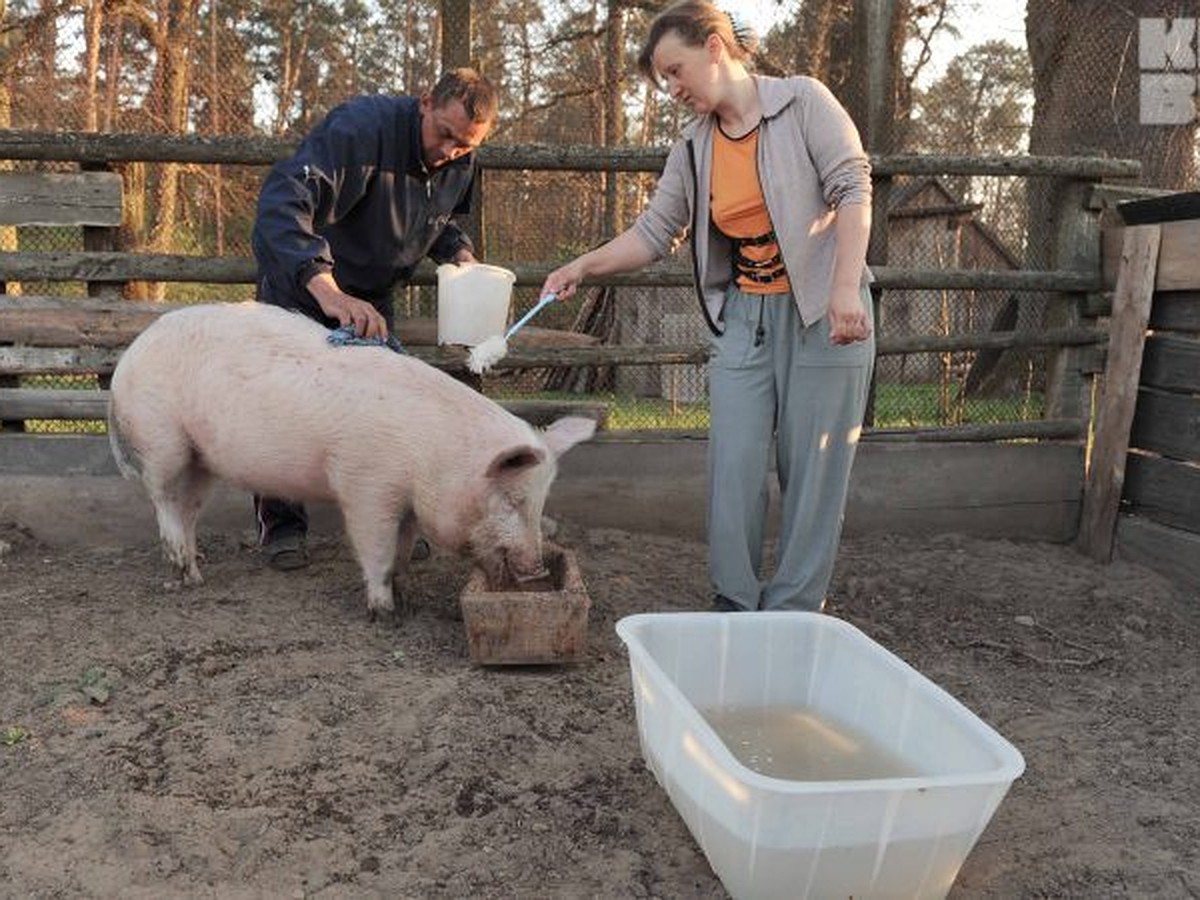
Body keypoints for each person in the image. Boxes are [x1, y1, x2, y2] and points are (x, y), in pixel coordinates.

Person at [540, 2, 875, 612]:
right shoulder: (694, 145)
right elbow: (653, 231)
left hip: (826, 308)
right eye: (663, 79)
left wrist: (846, 288)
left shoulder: (803, 102)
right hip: (745, 314)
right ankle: (736, 601)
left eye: (676, 70)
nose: (672, 88)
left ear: (715, 47)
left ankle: (794, 611)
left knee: (814, 467)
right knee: (736, 460)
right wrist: (581, 266)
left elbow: (852, 188)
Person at [250, 67, 498, 570]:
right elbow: (282, 203)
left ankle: (394, 523)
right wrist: (327, 290)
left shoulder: (461, 159)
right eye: (444, 135)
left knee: (386, 415)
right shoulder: (359, 131)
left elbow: (443, 219)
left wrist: (461, 256)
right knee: (283, 407)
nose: (449, 151)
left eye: (464, 146)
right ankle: (282, 528)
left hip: (373, 296)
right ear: (425, 101)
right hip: (306, 284)